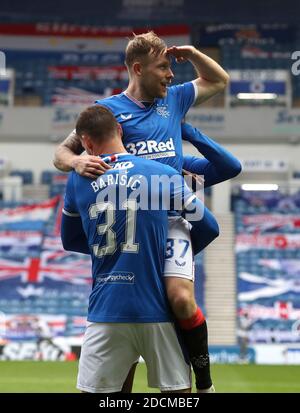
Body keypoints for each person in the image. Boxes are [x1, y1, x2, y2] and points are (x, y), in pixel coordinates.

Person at [54, 32, 241, 392]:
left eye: (171, 66)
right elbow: (60, 153)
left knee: (180, 298)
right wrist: (77, 161)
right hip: (129, 218)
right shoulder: (107, 110)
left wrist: (194, 54)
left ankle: (203, 380)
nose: (171, 74)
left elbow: (219, 81)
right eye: (163, 67)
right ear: (138, 69)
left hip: (170, 215)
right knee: (124, 325)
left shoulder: (176, 98)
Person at [61, 105, 219, 393]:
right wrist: (165, 251)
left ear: (86, 143)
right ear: (120, 131)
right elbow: (210, 226)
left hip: (106, 311)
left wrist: (111, 250)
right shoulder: (162, 174)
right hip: (157, 310)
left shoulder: (78, 179)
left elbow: (69, 240)